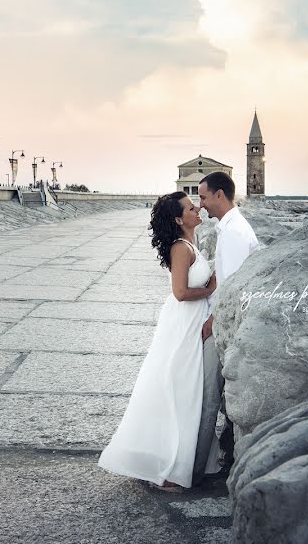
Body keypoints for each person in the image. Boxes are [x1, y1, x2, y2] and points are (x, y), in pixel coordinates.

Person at [98, 191, 220, 491]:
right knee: (179, 390)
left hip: (192, 320)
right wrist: (211, 288)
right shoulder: (181, 247)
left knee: (187, 391)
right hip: (183, 323)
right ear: (179, 219)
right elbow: (180, 292)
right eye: (191, 208)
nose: (198, 209)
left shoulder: (193, 242)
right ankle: (168, 468)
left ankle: (185, 459)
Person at [193, 171, 260, 485]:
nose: (201, 204)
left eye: (204, 197)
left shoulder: (233, 232)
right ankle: (220, 458)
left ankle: (197, 469)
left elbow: (232, 289)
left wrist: (211, 322)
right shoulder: (232, 227)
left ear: (220, 195)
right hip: (228, 325)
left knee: (209, 397)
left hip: (225, 329)